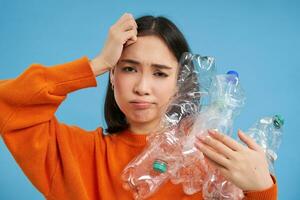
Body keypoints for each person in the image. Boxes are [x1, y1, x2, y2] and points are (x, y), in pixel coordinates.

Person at [0, 13, 277, 200]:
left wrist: (261, 189)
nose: (142, 86)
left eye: (160, 73)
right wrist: (98, 63)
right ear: (113, 75)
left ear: (181, 82)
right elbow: (7, 103)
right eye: (129, 68)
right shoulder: (77, 154)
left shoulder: (210, 163)